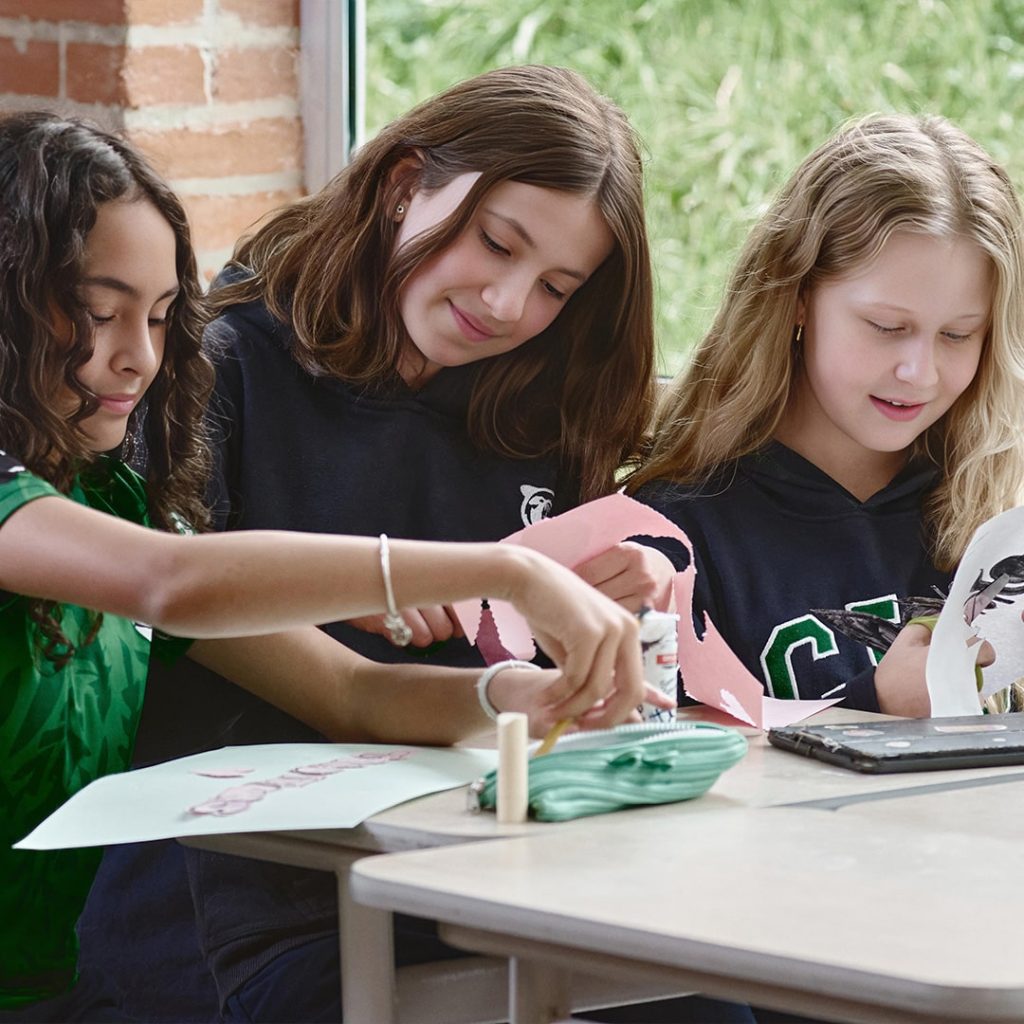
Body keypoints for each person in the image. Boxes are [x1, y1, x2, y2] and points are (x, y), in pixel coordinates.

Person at [0, 109, 668, 1020]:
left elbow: (350, 691)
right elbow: (173, 582)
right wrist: (507, 574)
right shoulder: (107, 514)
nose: (141, 360)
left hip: (56, 981)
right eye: (102, 312)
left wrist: (516, 698)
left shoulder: (107, 492)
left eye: (160, 318)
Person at [627, 113, 1024, 722]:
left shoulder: (992, 516)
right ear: (798, 298)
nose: (919, 372)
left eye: (958, 335)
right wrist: (873, 707)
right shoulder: (675, 536)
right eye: (886, 328)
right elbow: (652, 761)